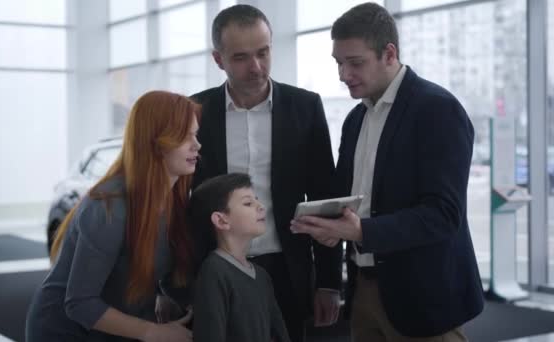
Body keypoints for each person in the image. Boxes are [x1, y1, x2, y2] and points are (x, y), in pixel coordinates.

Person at [290, 3, 484, 342]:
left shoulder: (438, 110)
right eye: (338, 62)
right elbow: (352, 201)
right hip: (364, 293)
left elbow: (443, 214)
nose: (342, 74)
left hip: (423, 299)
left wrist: (361, 230)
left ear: (389, 53)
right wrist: (329, 227)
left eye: (355, 62)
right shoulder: (355, 120)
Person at [191, 4, 342, 341]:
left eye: (263, 52)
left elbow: (324, 197)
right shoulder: (195, 112)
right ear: (219, 60)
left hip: (287, 267)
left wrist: (330, 281)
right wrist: (169, 284)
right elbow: (179, 203)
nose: (256, 67)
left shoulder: (305, 107)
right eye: (242, 57)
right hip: (216, 267)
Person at [26, 91, 201, 342]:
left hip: (118, 326)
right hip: (65, 331)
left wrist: (166, 296)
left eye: (195, 134)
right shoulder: (108, 207)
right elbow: (80, 304)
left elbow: (151, 267)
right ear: (155, 141)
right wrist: (153, 332)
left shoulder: (175, 199)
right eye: (185, 136)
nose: (197, 145)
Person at [189, 173, 290, 342]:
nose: (261, 206)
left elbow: (279, 334)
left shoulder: (261, 275)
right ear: (221, 220)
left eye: (257, 200)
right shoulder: (214, 272)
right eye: (248, 203)